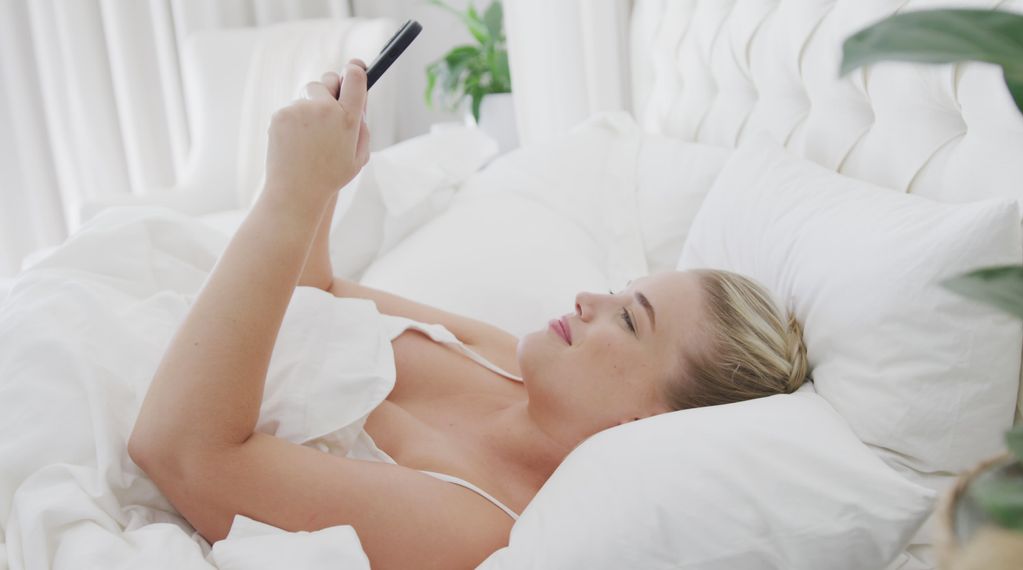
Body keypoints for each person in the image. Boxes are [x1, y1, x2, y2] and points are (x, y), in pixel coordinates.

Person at [128, 59, 809, 569]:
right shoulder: (500, 354)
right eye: (617, 290)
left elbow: (182, 454)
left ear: (646, 426)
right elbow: (317, 293)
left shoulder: (471, 524)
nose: (588, 301)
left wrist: (287, 194)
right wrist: (326, 179)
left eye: (629, 320)